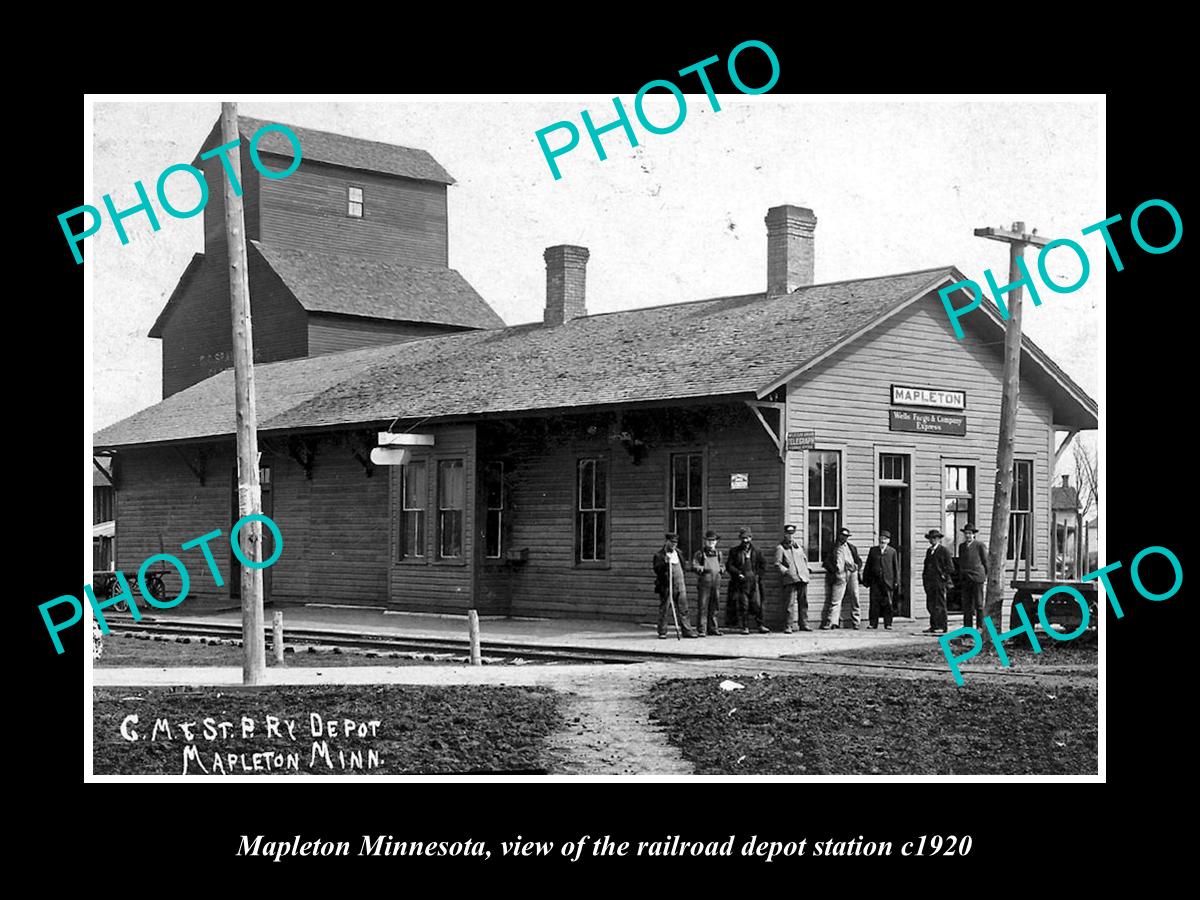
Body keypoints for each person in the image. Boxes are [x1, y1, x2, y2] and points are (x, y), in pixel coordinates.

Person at [653, 533, 699, 639]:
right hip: (666, 585)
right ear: (666, 542)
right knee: (665, 608)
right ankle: (662, 631)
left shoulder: (679, 553)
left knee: (684, 608)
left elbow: (683, 567)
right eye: (672, 542)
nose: (673, 545)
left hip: (680, 584)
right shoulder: (659, 555)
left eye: (675, 543)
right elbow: (657, 570)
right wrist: (665, 563)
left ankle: (687, 630)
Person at [727, 528, 769, 634]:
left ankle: (760, 625)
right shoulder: (734, 551)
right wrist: (738, 573)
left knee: (757, 604)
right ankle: (745, 627)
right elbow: (729, 566)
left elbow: (763, 565)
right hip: (741, 582)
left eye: (748, 538)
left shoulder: (757, 551)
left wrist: (758, 575)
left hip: (754, 582)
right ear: (740, 539)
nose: (746, 541)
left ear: (751, 538)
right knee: (743, 604)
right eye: (743, 538)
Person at [821, 526, 862, 629]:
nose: (845, 538)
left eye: (847, 536)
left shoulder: (852, 547)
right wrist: (834, 570)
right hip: (839, 575)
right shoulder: (832, 548)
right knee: (836, 600)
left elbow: (858, 560)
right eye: (843, 536)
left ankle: (856, 622)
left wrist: (857, 567)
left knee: (855, 597)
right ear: (839, 535)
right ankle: (832, 622)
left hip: (852, 574)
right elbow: (826, 562)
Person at [774, 524, 810, 633]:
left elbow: (804, 559)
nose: (790, 536)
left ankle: (804, 623)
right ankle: (788, 625)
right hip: (790, 579)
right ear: (784, 534)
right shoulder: (780, 548)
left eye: (792, 534)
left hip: (802, 577)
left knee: (803, 602)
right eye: (788, 534)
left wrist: (807, 569)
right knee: (789, 603)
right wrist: (786, 571)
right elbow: (777, 563)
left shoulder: (798, 547)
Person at [863, 529, 901, 629]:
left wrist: (896, 581)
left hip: (888, 581)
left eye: (885, 539)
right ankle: (873, 623)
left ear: (888, 541)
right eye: (881, 538)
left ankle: (888, 624)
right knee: (874, 602)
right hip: (875, 581)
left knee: (888, 603)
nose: (883, 541)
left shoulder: (892, 551)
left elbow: (895, 567)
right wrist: (865, 579)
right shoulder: (873, 550)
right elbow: (868, 565)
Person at [690, 530, 724, 637]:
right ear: (705, 541)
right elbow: (694, 565)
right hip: (705, 581)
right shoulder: (700, 554)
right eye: (709, 541)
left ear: (716, 542)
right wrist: (702, 568)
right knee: (703, 605)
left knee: (715, 605)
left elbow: (722, 565)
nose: (711, 543)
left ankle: (713, 628)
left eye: (713, 541)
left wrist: (722, 569)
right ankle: (702, 629)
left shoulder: (719, 553)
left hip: (716, 582)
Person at [921, 528, 954, 634]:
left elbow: (950, 567)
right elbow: (926, 566)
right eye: (931, 538)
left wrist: (943, 575)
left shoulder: (943, 550)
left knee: (940, 604)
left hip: (939, 582)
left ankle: (943, 626)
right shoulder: (929, 551)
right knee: (930, 604)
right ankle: (934, 625)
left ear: (939, 539)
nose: (933, 540)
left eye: (935, 538)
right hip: (929, 582)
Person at [957, 523, 989, 628]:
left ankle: (980, 627)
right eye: (966, 533)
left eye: (970, 533)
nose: (968, 536)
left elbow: (985, 561)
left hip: (977, 577)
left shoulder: (980, 545)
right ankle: (967, 628)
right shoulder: (961, 547)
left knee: (979, 604)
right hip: (966, 578)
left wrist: (987, 575)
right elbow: (961, 561)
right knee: (967, 605)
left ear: (974, 535)